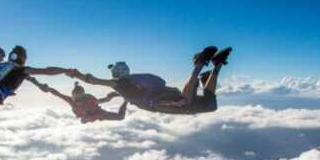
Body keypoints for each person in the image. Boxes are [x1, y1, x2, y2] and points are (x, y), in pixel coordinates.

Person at [69, 45, 231, 115]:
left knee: (183, 101)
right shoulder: (125, 86)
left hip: (158, 102)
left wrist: (78, 75)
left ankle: (199, 64)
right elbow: (107, 96)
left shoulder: (118, 84)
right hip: (161, 97)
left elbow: (95, 81)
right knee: (211, 105)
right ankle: (216, 66)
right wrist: (106, 100)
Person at [27, 79, 128, 122]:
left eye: (79, 95)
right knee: (84, 118)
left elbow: (104, 100)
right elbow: (58, 94)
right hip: (88, 116)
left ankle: (127, 100)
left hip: (98, 114)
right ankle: (76, 86)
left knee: (120, 117)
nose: (77, 98)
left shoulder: (90, 100)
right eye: (75, 96)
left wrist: (113, 96)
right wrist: (48, 89)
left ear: (83, 95)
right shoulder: (72, 101)